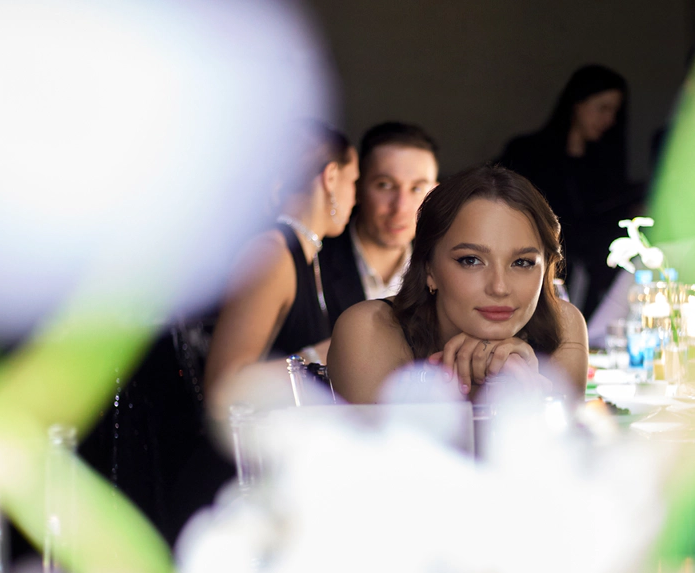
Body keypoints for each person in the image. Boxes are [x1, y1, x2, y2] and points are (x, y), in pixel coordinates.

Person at [328, 165, 588, 404]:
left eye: (522, 262)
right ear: (428, 268)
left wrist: (517, 382)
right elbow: (382, 443)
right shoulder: (369, 329)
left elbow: (561, 439)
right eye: (471, 260)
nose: (499, 287)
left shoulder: (563, 326)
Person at [204, 124, 358, 413]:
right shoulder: (272, 255)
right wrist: (318, 355)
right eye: (353, 182)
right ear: (330, 177)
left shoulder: (309, 256)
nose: (355, 197)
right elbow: (223, 387)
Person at [497, 64, 643, 321]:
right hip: (532, 274)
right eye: (603, 108)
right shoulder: (527, 153)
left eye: (614, 112)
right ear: (578, 103)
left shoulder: (603, 165)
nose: (609, 120)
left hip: (587, 284)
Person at [319, 122, 439, 327]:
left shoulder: (441, 268)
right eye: (385, 185)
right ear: (357, 188)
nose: (400, 207)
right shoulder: (314, 262)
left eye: (417, 189)